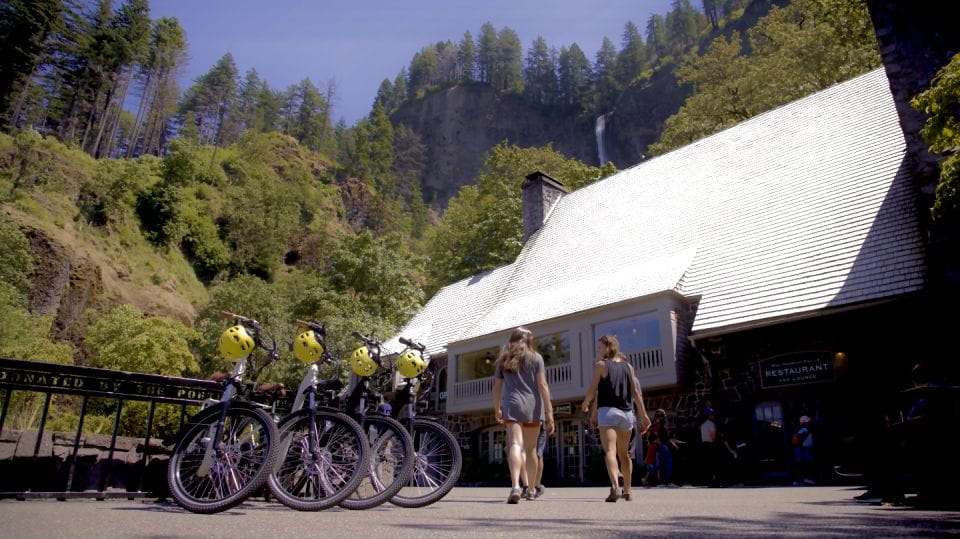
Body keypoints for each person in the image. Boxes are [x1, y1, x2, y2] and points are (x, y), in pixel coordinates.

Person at [581, 334, 652, 502]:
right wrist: (643, 415)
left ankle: (615, 487)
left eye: (600, 347)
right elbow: (635, 393)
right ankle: (628, 490)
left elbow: (593, 388)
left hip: (608, 413)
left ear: (608, 347)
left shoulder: (600, 365)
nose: (598, 350)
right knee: (624, 454)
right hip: (627, 415)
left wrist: (586, 403)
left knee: (610, 451)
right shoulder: (629, 367)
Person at [492, 327, 555, 504]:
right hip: (533, 406)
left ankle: (515, 486)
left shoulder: (503, 359)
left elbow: (497, 386)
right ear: (528, 340)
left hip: (511, 404)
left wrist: (497, 407)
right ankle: (532, 489)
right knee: (531, 449)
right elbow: (543, 385)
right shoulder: (536, 358)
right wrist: (549, 413)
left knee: (514, 444)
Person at [650, 409, 678, 487]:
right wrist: (673, 444)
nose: (665, 416)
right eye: (664, 414)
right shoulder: (661, 422)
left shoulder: (654, 422)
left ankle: (657, 481)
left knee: (659, 463)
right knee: (668, 462)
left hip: (657, 445)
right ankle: (668, 481)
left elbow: (653, 434)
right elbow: (664, 436)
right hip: (663, 444)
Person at [792, 415, 815, 485]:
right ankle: (806, 479)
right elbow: (799, 439)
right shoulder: (805, 429)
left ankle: (799, 480)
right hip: (804, 448)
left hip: (800, 448)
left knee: (800, 464)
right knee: (806, 464)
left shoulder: (799, 428)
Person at [700, 407, 720, 486]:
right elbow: (713, 437)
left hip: (704, 445)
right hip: (711, 445)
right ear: (708, 416)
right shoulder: (711, 424)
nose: (713, 416)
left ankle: (709, 482)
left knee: (708, 464)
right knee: (714, 464)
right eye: (712, 414)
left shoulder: (702, 424)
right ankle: (715, 482)